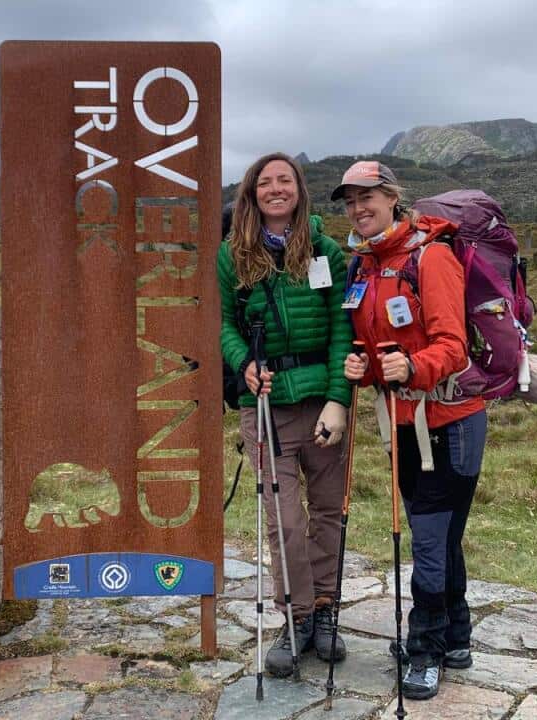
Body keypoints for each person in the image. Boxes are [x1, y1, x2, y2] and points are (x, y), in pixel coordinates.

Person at [337, 161, 487, 701]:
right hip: (402, 425)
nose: (359, 207)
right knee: (442, 537)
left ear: (393, 199)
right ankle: (457, 636)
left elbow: (452, 346)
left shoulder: (433, 256)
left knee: (428, 541)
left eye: (368, 196)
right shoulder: (364, 265)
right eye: (351, 200)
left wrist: (412, 369)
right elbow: (375, 343)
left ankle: (425, 651)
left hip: (451, 423)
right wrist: (364, 368)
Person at [218, 152, 353, 677]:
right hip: (267, 407)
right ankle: (294, 618)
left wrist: (339, 399)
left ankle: (325, 613)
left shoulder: (325, 251)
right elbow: (224, 323)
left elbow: (343, 329)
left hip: (322, 401)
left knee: (326, 512)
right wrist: (245, 364)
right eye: (265, 182)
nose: (276, 189)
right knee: (285, 522)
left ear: (299, 189)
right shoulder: (233, 255)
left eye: (285, 180)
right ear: (252, 193)